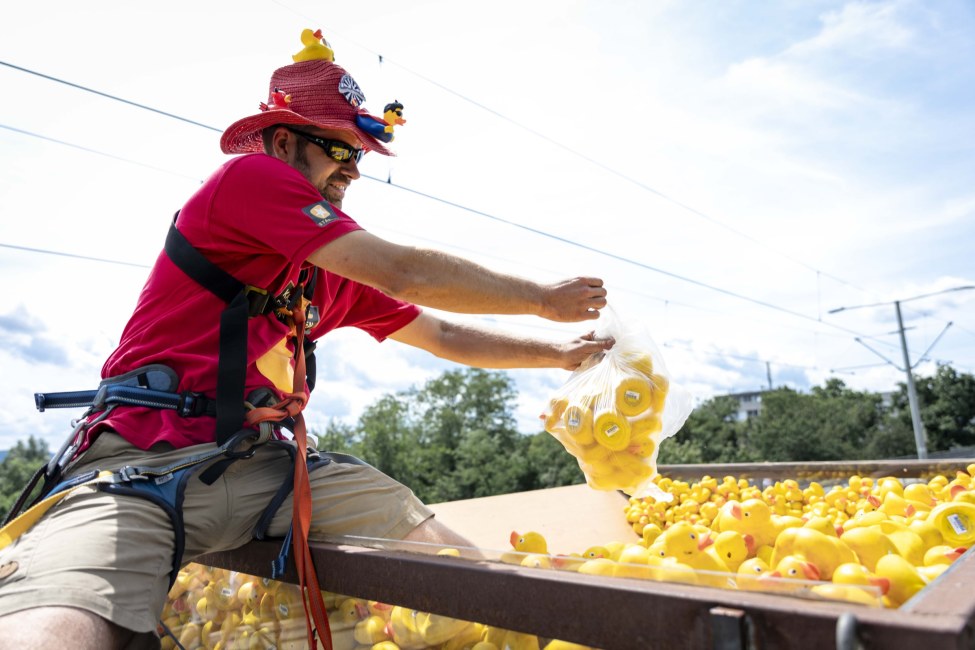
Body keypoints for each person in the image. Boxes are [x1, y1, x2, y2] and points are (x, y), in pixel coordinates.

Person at [0, 31, 612, 649]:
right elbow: (403, 270)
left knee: (448, 563)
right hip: (143, 462)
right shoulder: (248, 179)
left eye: (358, 156)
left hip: (268, 466)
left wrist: (560, 353)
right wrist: (540, 297)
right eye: (337, 150)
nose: (351, 170)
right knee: (61, 615)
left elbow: (443, 331)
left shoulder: (323, 275)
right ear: (284, 142)